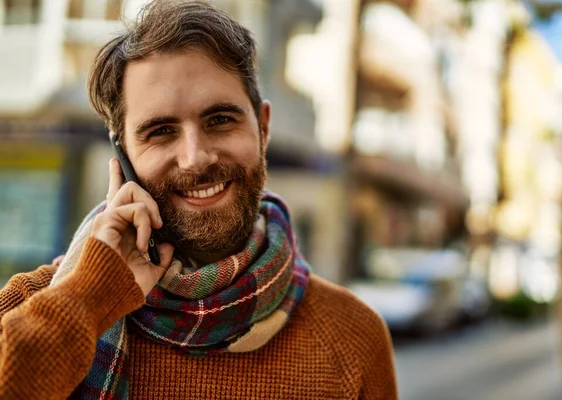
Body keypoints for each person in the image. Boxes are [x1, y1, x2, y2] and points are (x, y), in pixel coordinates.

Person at [0, 1, 398, 399]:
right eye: (160, 131)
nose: (195, 158)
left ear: (262, 127)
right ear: (123, 158)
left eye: (220, 120)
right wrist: (92, 296)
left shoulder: (353, 336)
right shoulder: (35, 308)